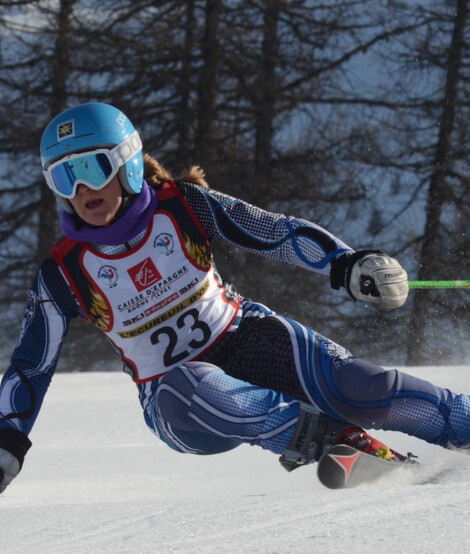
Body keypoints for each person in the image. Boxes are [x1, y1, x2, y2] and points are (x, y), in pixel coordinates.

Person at [0, 101, 468, 493]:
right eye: (64, 178)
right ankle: (333, 441)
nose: (81, 190)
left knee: (362, 390)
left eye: (90, 168)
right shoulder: (63, 273)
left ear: (127, 162)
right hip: (177, 404)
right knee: (189, 382)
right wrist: (7, 441)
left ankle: (459, 422)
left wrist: (345, 263)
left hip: (249, 338)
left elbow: (272, 231)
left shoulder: (183, 206)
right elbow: (30, 365)